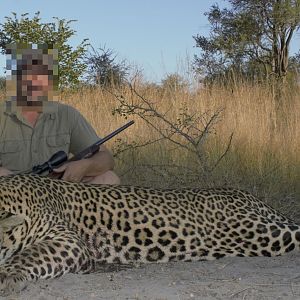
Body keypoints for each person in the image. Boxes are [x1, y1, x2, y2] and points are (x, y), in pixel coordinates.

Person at [0, 43, 120, 184]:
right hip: (14, 195)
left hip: (59, 193)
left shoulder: (67, 114)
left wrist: (85, 166)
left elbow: (106, 158)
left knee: (109, 178)